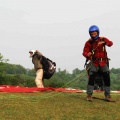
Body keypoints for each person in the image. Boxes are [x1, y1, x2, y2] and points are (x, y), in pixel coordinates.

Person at [82, 25, 114, 102]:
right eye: (92, 34)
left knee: (107, 77)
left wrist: (104, 42)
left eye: (95, 33)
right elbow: (84, 52)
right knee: (91, 77)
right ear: (90, 34)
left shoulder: (102, 39)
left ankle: (107, 95)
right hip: (94, 63)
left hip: (103, 62)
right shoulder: (89, 43)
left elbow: (111, 43)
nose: (93, 35)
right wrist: (87, 54)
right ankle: (89, 95)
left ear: (98, 33)